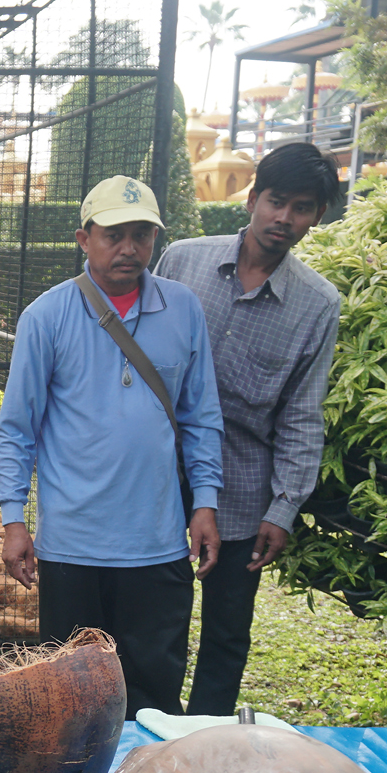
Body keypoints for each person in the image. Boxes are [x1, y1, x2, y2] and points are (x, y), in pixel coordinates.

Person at [0, 175, 224, 717]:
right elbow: (16, 428)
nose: (129, 248)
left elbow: (201, 416)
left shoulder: (183, 309)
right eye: (114, 234)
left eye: (142, 234)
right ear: (83, 238)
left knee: (153, 698)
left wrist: (206, 502)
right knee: (70, 703)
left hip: (158, 546)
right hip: (73, 547)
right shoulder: (46, 317)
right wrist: (12, 519)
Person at [156, 142, 344, 715]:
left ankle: (207, 743)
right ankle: (145, 731)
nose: (285, 219)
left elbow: (301, 413)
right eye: (276, 201)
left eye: (303, 208)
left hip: (241, 491)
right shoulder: (182, 262)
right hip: (155, 479)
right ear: (253, 198)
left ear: (317, 216)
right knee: (154, 625)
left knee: (227, 634)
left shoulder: (317, 304)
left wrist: (282, 509)